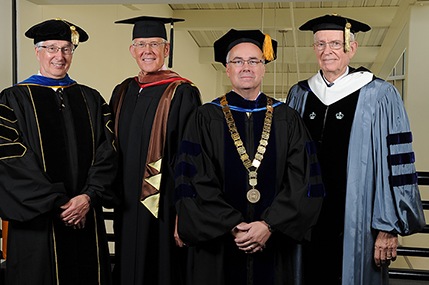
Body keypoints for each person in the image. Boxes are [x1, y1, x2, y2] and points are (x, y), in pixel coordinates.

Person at [173, 29, 324, 285]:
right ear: (227, 69)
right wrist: (233, 225)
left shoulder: (287, 118)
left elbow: (304, 180)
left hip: (274, 242)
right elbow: (194, 179)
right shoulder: (205, 117)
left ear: (263, 68)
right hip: (220, 243)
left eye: (254, 61)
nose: (246, 67)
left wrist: (268, 225)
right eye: (238, 61)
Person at [286, 14, 426, 284]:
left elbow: (398, 164)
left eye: (336, 44)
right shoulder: (300, 94)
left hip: (358, 225)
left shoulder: (379, 94)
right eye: (321, 44)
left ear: (352, 47)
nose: (328, 51)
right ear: (314, 49)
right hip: (305, 223)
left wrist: (388, 227)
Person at [0, 18, 118, 285]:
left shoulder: (91, 98)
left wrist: (88, 197)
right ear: (38, 51)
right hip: (39, 222)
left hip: (85, 216)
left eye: (66, 49)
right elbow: (5, 157)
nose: (59, 56)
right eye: (52, 48)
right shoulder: (12, 99)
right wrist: (59, 202)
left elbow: (110, 152)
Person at [110, 16, 202, 285]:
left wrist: (183, 212)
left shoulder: (182, 92)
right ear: (132, 50)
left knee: (162, 268)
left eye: (154, 43)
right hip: (126, 204)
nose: (147, 50)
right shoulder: (123, 91)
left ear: (166, 49)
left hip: (164, 206)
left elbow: (190, 157)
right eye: (140, 44)